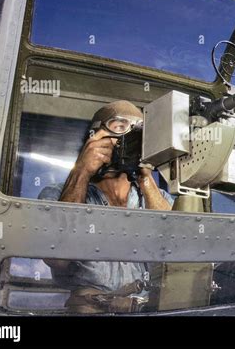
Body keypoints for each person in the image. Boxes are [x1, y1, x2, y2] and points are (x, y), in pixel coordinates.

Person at [38, 100, 174, 313]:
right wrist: (81, 171)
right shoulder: (57, 194)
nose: (129, 138)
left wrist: (145, 177)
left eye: (138, 132)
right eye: (120, 127)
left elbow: (176, 251)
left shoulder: (158, 197)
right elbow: (57, 258)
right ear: (95, 136)